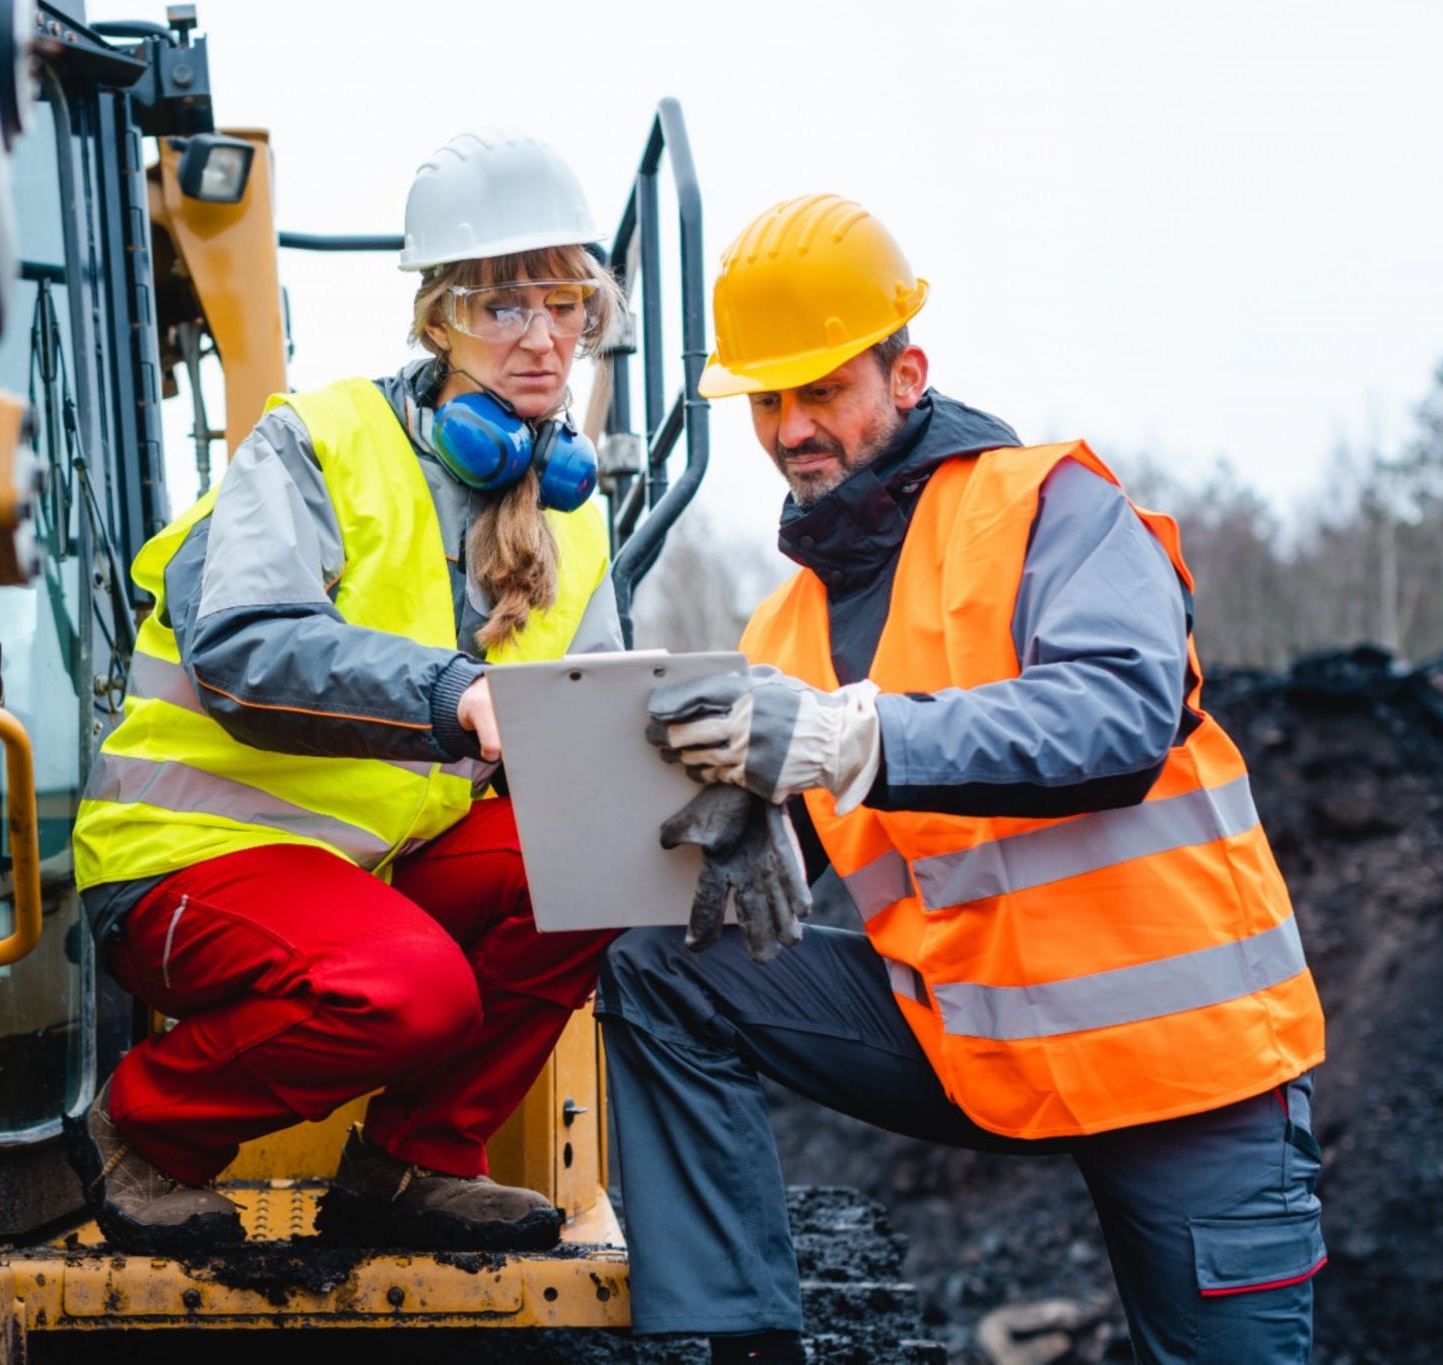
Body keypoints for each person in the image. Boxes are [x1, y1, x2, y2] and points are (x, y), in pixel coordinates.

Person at [597, 193, 1327, 1365]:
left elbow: (1116, 718)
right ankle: (738, 1345)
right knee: (661, 973)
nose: (792, 428)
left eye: (822, 389)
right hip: (970, 1045)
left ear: (904, 371)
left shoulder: (1049, 507)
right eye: (767, 402)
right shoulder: (780, 629)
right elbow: (795, 819)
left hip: (1184, 1064)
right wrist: (745, 825)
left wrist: (849, 741)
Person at [68, 129, 624, 1255]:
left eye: (564, 303)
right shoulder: (312, 444)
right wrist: (450, 691)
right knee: (411, 990)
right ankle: (146, 1130)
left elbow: (594, 734)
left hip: (356, 876)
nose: (539, 334)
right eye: (500, 305)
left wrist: (710, 785)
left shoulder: (573, 516)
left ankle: (414, 1165)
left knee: (594, 849)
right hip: (185, 863)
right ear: (438, 321)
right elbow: (239, 646)